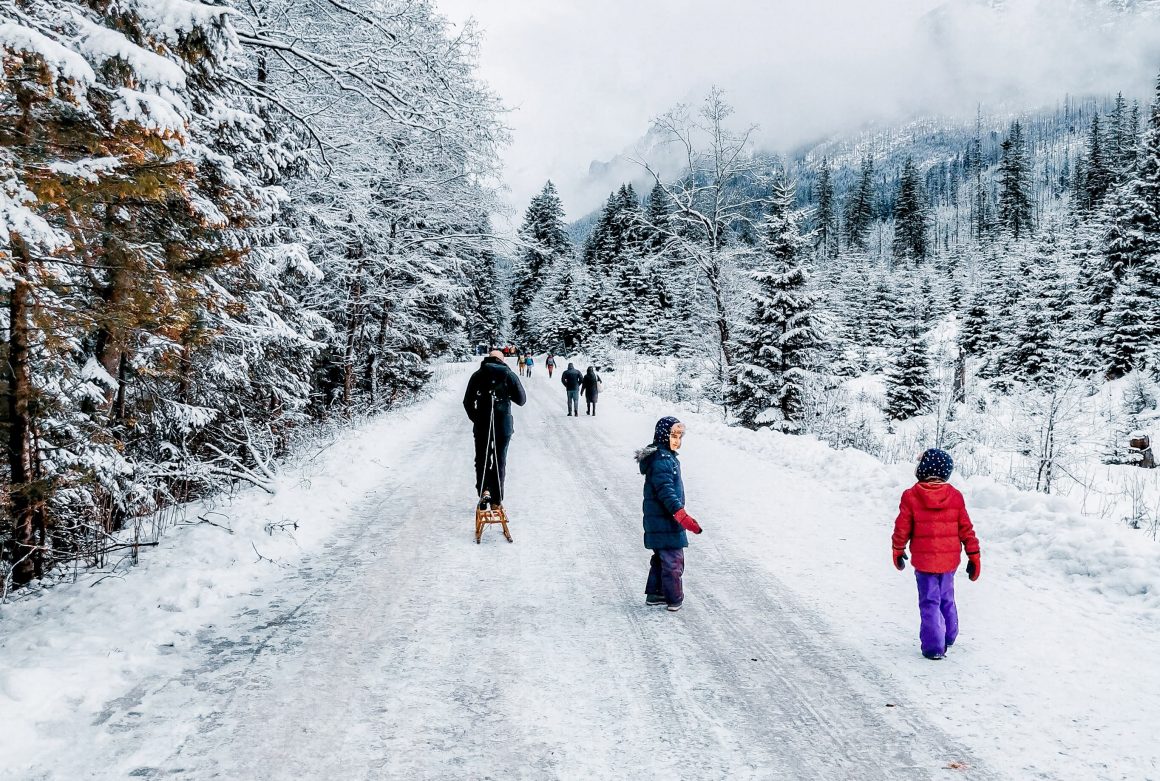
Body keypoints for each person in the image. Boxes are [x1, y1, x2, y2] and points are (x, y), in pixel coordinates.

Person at [892, 448, 982, 660]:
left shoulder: (911, 496)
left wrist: (898, 549)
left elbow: (901, 528)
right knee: (946, 597)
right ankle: (949, 634)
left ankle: (934, 646)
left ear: (922, 470)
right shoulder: (955, 496)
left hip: (924, 562)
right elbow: (966, 529)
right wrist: (973, 555)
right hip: (949, 561)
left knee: (929, 601)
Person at [636, 416, 702, 611]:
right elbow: (666, 491)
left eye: (680, 436)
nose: (678, 440)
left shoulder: (664, 456)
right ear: (664, 436)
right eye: (674, 435)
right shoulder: (663, 460)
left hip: (660, 519)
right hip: (666, 518)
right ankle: (674, 598)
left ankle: (656, 593)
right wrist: (681, 515)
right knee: (673, 560)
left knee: (661, 558)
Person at [463, 349, 527, 510]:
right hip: (503, 425)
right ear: (502, 360)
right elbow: (521, 400)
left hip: (483, 424)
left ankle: (484, 491)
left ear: (488, 358)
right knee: (500, 460)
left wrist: (477, 419)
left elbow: (467, 402)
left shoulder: (477, 375)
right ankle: (497, 500)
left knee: (482, 459)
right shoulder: (509, 375)